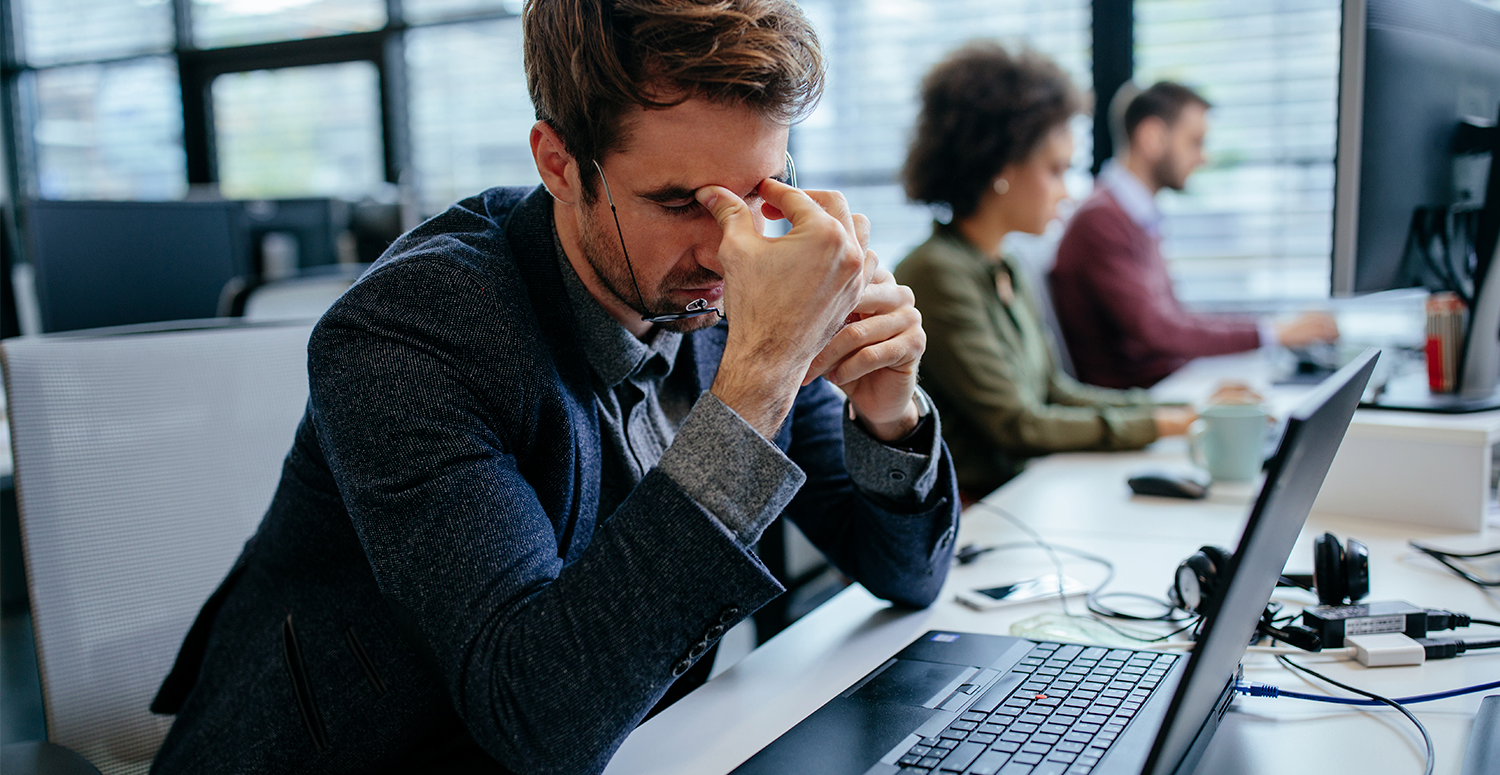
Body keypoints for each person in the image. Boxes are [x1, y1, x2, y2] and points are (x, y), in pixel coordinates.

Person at [147, 1, 960, 773]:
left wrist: (888, 408)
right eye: (679, 202)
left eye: (756, 195)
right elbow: (536, 717)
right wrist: (761, 381)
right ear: (560, 163)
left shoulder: (725, 295)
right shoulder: (411, 331)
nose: (726, 251)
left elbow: (907, 574)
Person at [893, 42, 1194, 498]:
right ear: (1000, 166)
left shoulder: (1007, 263)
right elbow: (1018, 424)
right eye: (1056, 170)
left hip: (1028, 491)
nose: (1067, 192)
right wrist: (1162, 423)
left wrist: (1183, 408)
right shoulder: (935, 273)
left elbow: (1055, 390)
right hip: (976, 513)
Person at [1050, 81, 1338, 390]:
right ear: (1152, 137)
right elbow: (1159, 330)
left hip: (1166, 384)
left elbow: (1174, 318)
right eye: (1195, 142)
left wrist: (1272, 330)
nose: (1204, 158)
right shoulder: (1102, 219)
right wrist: (1274, 333)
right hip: (1140, 401)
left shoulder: (1134, 213)